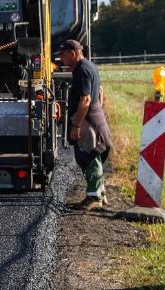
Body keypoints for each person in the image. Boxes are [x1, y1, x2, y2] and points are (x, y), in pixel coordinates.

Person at [57, 39, 112, 210]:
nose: (61, 59)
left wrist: (78, 125)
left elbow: (86, 99)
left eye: (63, 55)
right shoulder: (90, 66)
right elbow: (101, 92)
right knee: (93, 156)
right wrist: (98, 111)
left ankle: (93, 197)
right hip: (95, 117)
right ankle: (100, 193)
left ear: (72, 53)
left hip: (88, 122)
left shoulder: (82, 70)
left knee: (90, 157)